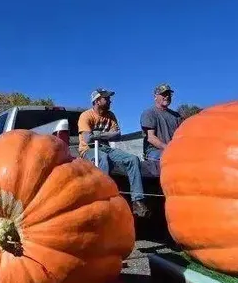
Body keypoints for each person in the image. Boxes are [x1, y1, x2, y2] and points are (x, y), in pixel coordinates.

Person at [78, 88, 150, 218]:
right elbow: (87, 139)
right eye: (106, 98)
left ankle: (137, 201)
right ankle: (103, 200)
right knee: (103, 159)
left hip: (105, 148)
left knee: (133, 159)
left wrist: (98, 134)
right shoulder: (86, 115)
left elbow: (117, 135)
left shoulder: (111, 115)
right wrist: (107, 135)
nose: (110, 100)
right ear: (97, 101)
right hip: (88, 149)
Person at [140, 83, 183, 163]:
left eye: (169, 94)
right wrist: (169, 149)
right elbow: (151, 138)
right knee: (173, 158)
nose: (167, 96)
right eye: (164, 94)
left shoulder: (176, 116)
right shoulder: (149, 113)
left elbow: (181, 136)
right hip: (153, 152)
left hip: (172, 150)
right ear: (155, 96)